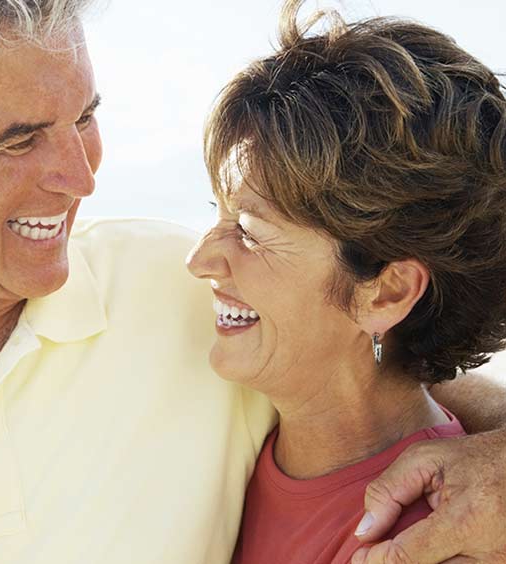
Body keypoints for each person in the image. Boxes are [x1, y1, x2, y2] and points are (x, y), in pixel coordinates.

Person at [0, 1, 505, 563]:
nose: (81, 177)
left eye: (85, 118)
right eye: (18, 139)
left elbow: (374, 359)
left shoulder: (184, 294)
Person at [187, 0, 506, 562]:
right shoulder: (234, 429)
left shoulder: (430, 540)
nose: (200, 260)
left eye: (251, 232)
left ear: (385, 292)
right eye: (215, 213)